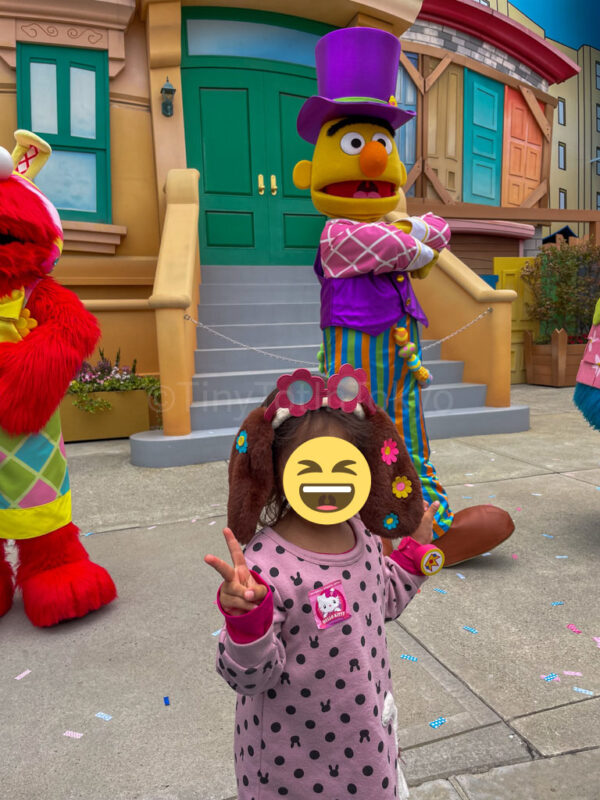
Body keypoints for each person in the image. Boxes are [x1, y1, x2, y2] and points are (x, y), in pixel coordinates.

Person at [205, 365, 442, 799]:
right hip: (289, 764)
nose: (329, 483)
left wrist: (411, 555)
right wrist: (246, 622)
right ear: (278, 471)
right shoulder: (265, 568)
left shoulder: (363, 535)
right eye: (311, 468)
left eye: (343, 467)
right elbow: (248, 679)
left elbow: (383, 598)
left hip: (366, 742)